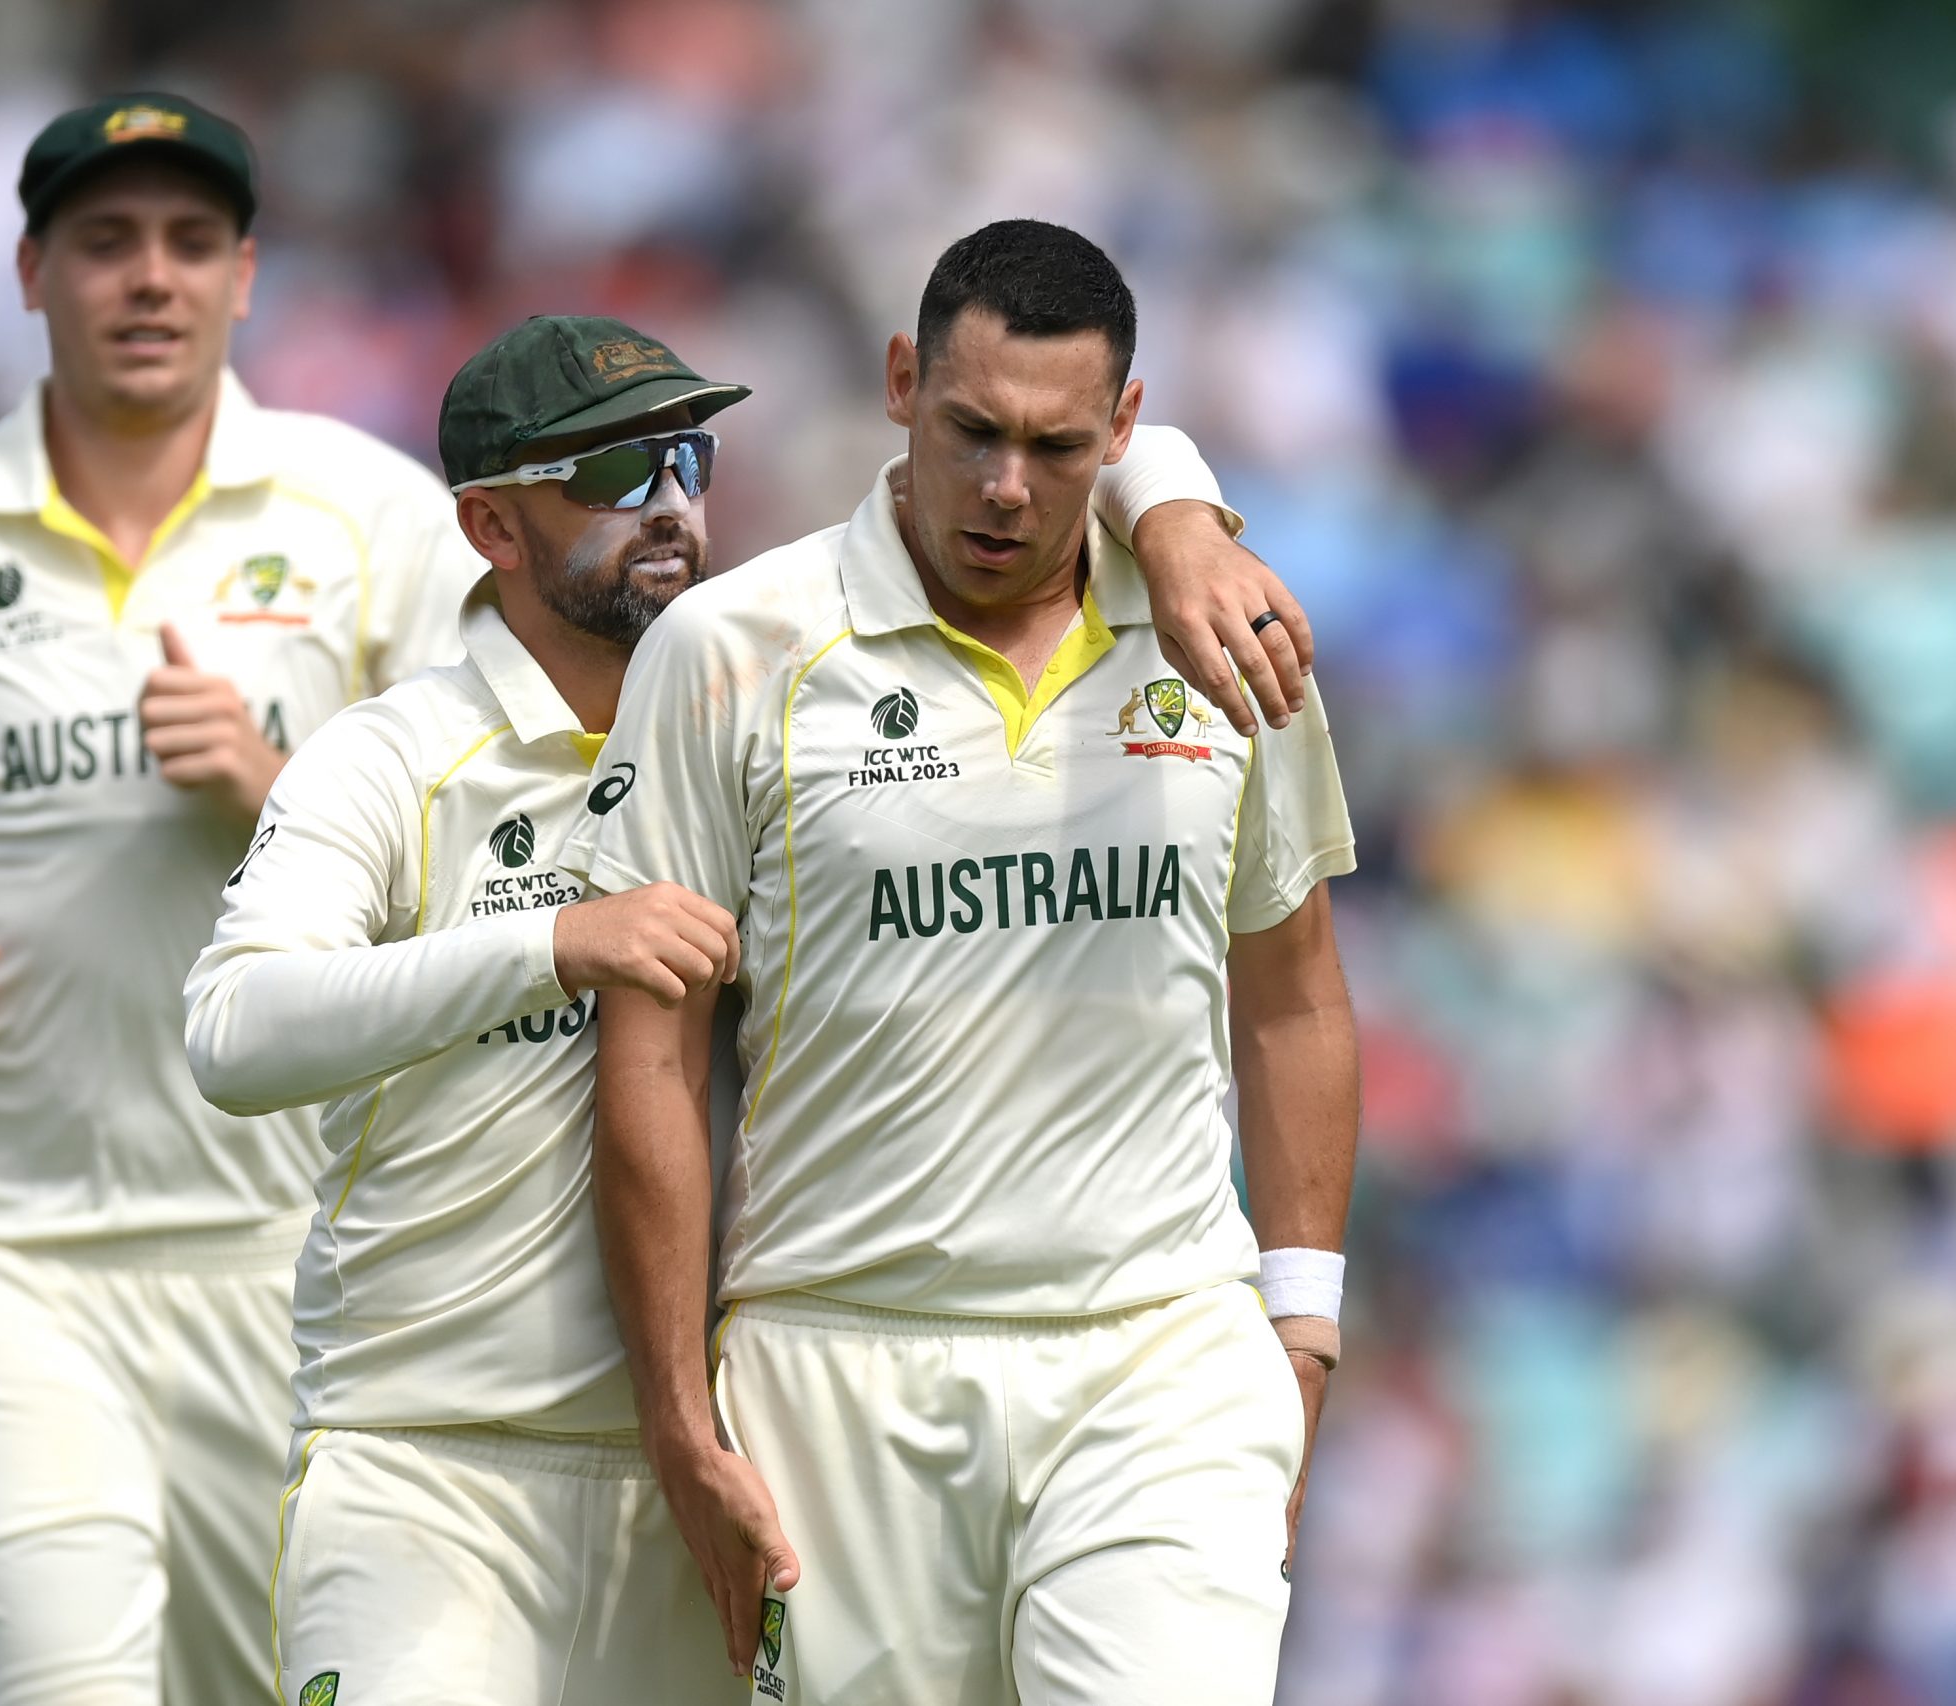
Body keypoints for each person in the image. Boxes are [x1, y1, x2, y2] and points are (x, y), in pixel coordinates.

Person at [182, 309, 1291, 1705]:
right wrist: (552, 943)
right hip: (431, 1462)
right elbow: (234, 1031)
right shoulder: (392, 759)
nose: (671, 508)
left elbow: (1041, 434)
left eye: (687, 458)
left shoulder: (757, 695)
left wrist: (1172, 505)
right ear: (491, 527)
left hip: (718, 1466)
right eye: (610, 476)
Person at [0, 93, 484, 1706]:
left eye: (191, 243)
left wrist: (278, 793)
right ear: (27, 271)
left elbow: (496, 849)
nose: (151, 280)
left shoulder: (369, 517)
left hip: (295, 1261)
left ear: (247, 276)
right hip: (0, 1254)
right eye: (106, 243)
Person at [562, 220, 1362, 1705]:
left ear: (1125, 429)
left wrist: (1300, 1330)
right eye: (970, 429)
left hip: (1159, 1353)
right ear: (896, 386)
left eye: (1060, 447)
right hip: (836, 1360)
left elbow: (1297, 989)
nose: (1007, 487)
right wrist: (678, 1418)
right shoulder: (733, 647)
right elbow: (654, 1057)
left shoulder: (1229, 632)